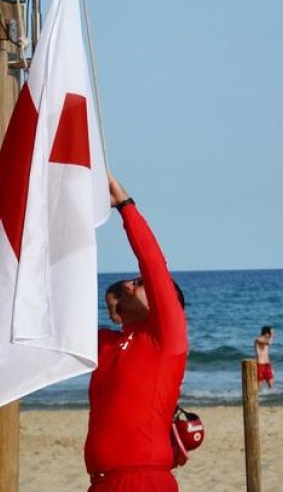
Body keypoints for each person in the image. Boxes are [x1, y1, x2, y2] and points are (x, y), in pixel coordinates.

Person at [85, 176, 188, 491]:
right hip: (101, 482)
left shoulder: (166, 339)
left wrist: (125, 207)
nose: (129, 285)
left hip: (144, 480)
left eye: (138, 282)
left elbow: (154, 263)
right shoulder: (106, 342)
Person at [254, 326, 275, 390]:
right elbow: (269, 343)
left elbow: (269, 342)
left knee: (271, 382)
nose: (270, 335)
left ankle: (271, 396)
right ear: (266, 333)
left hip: (267, 364)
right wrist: (272, 335)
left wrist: (271, 336)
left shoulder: (266, 340)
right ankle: (259, 396)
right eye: (269, 333)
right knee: (260, 383)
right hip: (260, 364)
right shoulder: (258, 339)